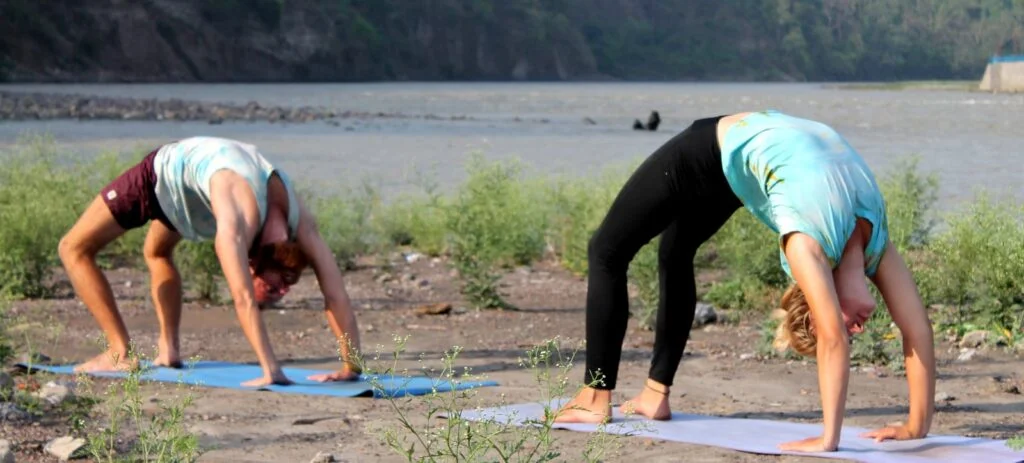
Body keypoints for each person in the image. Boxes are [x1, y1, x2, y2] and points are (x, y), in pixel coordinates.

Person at [554, 110, 936, 453]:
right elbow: (915, 329)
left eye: (842, 327)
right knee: (623, 251)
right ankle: (627, 396)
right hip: (713, 147)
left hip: (735, 159)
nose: (854, 329)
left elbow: (843, 335)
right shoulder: (874, 242)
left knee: (617, 251)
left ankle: (602, 398)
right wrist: (888, 430)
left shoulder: (806, 245)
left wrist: (904, 428)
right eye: (847, 327)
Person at [58, 136, 361, 387]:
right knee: (74, 248)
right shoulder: (236, 222)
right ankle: (119, 352)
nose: (283, 292)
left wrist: (351, 367)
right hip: (164, 175)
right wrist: (271, 370)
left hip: (199, 193)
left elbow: (336, 294)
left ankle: (169, 351)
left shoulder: (302, 224)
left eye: (288, 281)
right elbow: (242, 298)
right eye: (280, 281)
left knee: (156, 252)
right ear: (253, 262)